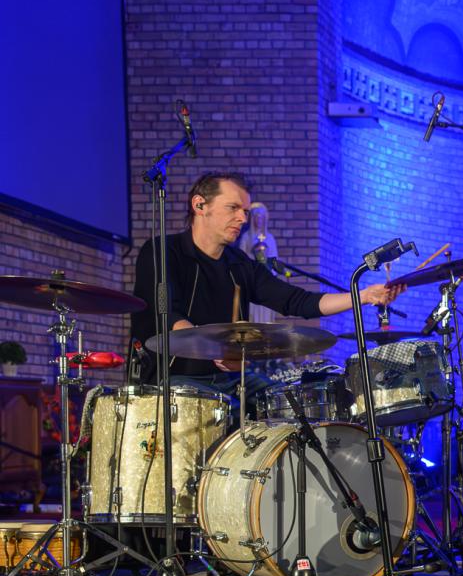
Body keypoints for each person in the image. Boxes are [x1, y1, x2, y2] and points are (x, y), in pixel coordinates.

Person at [129, 173, 403, 406]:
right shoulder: (163, 251)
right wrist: (213, 349)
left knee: (288, 405)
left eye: (245, 212)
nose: (242, 218)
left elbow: (297, 301)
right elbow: (169, 315)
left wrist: (364, 296)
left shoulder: (239, 264)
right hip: (175, 379)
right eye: (233, 208)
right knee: (227, 411)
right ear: (200, 205)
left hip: (230, 378)